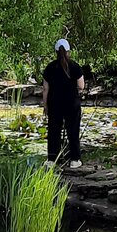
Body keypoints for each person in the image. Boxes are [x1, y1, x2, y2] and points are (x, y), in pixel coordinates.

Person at [41, 38, 85, 168]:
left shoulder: (50, 67)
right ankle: (75, 159)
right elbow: (81, 86)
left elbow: (45, 89)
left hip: (55, 103)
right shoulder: (75, 66)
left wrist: (45, 105)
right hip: (72, 103)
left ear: (56, 51)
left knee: (54, 131)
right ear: (68, 51)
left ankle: (52, 159)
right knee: (73, 130)